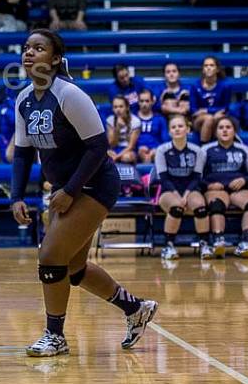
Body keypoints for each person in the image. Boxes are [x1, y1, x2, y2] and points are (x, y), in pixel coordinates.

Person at [9, 28, 157, 358]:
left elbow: (98, 146)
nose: (29, 53)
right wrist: (16, 196)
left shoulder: (69, 95)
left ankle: (55, 335)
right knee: (73, 269)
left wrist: (71, 190)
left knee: (49, 256)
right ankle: (135, 309)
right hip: (65, 189)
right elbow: (21, 153)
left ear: (56, 59)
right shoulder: (23, 100)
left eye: (39, 48)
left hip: (94, 184)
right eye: (26, 48)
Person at [200, 116, 248, 259]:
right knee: (217, 204)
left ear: (234, 131)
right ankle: (218, 241)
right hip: (216, 189)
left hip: (237, 189)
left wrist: (244, 179)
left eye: (228, 127)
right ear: (215, 132)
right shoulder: (206, 149)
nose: (225, 130)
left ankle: (246, 242)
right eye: (221, 128)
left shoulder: (244, 149)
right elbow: (197, 176)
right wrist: (209, 185)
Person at [153, 115, 209, 261]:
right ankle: (168, 246)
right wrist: (178, 196)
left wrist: (186, 196)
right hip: (168, 190)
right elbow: (163, 179)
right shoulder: (162, 150)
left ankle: (204, 244)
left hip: (191, 189)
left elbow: (197, 178)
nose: (177, 129)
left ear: (188, 129)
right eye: (173, 127)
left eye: (180, 126)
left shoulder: (198, 151)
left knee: (200, 206)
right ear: (169, 131)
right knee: (177, 207)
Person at [189, 56, 231, 143]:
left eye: (211, 65)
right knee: (209, 118)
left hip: (218, 116)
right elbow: (193, 110)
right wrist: (212, 112)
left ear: (217, 69)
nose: (208, 68)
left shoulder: (225, 86)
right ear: (203, 69)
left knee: (215, 118)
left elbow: (225, 107)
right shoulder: (195, 86)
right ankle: (204, 149)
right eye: (206, 65)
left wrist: (207, 110)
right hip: (198, 119)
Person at [105, 96, 140, 165]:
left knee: (127, 157)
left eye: (121, 106)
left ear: (127, 107)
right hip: (114, 149)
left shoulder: (135, 121)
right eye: (115, 107)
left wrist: (117, 157)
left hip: (128, 150)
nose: (118, 109)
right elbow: (111, 144)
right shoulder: (110, 120)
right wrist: (117, 128)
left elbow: (131, 146)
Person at [135, 90, 167, 164]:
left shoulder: (160, 119)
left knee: (157, 154)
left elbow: (165, 139)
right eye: (141, 101)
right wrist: (138, 149)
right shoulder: (133, 119)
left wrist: (157, 149)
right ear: (138, 102)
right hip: (138, 151)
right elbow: (129, 140)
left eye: (147, 101)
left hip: (156, 151)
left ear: (152, 102)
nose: (144, 104)